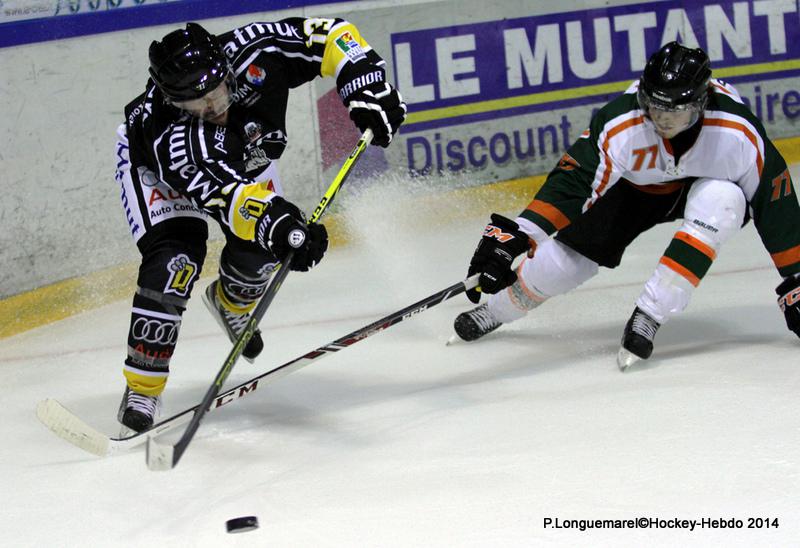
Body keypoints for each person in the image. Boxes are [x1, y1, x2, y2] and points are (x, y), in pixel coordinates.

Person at [114, 18, 406, 431]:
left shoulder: (257, 50)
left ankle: (231, 303)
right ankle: (143, 387)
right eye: (198, 104)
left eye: (216, 92)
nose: (214, 107)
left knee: (267, 248)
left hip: (243, 153)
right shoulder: (171, 139)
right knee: (175, 261)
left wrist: (364, 84)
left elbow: (331, 37)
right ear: (175, 101)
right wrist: (276, 221)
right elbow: (230, 200)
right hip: (157, 171)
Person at [452, 42, 800, 370]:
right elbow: (574, 181)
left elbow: (774, 199)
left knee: (724, 202)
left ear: (699, 105)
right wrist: (520, 233)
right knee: (563, 265)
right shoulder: (622, 122)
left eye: (674, 113)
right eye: (654, 107)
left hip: (702, 186)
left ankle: (649, 314)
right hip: (632, 189)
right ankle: (496, 310)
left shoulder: (736, 134)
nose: (662, 121)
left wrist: (796, 279)